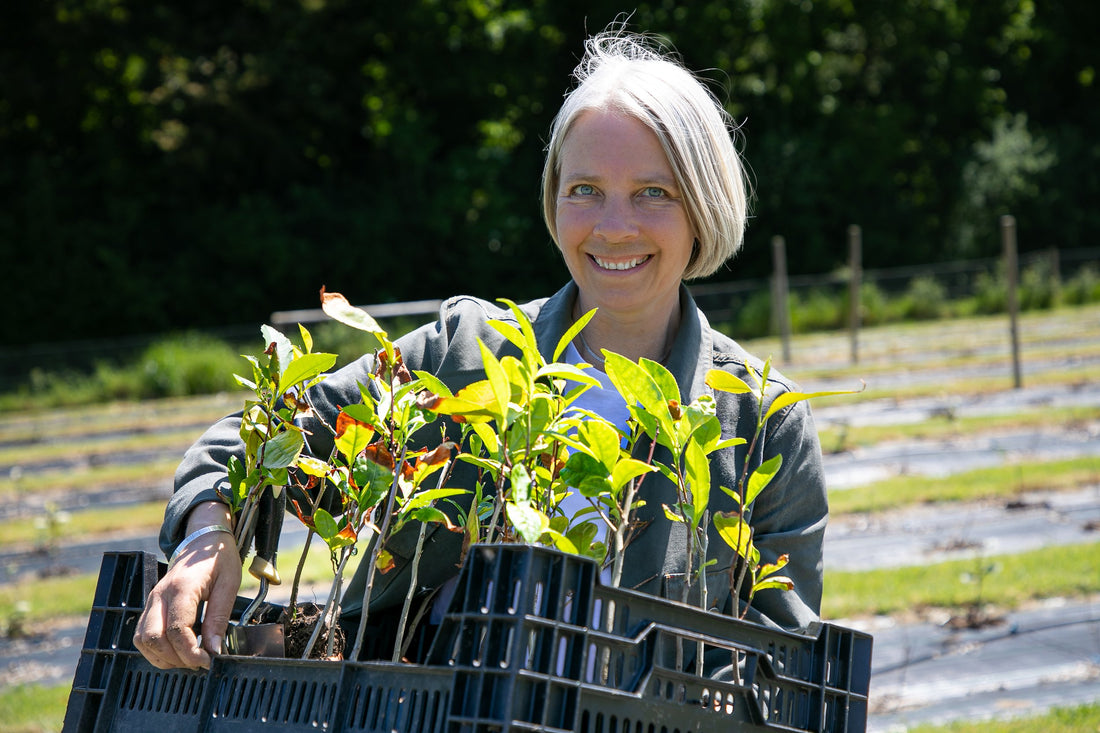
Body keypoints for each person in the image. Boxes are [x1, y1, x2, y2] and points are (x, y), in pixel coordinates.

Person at [134, 28, 828, 672]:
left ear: (704, 205)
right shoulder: (465, 356)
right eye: (584, 190)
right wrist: (208, 532)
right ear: (554, 200)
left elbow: (786, 661)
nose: (614, 228)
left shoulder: (762, 420)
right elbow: (255, 437)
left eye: (653, 194)